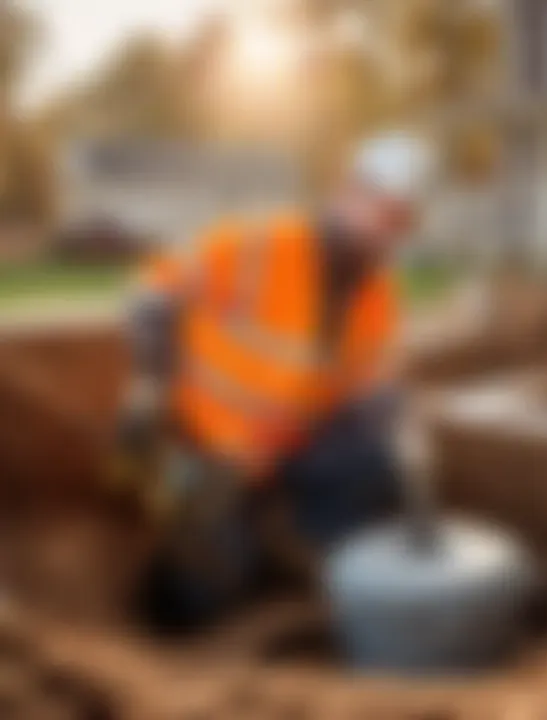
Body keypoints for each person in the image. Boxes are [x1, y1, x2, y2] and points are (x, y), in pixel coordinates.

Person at [116, 132, 438, 633]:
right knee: (207, 590)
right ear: (347, 192)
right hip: (205, 454)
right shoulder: (257, 245)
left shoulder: (378, 300)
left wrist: (410, 451)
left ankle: (294, 550)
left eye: (401, 222)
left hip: (283, 458)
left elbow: (378, 393)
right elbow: (152, 297)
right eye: (382, 210)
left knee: (379, 458)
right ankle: (207, 581)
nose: (387, 232)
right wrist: (148, 387)